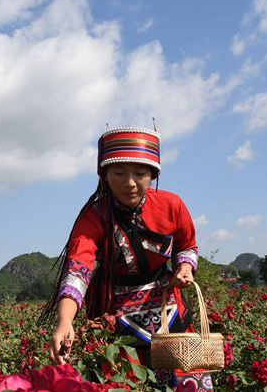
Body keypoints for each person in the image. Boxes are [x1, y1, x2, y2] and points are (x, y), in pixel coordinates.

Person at [38, 127, 214, 391]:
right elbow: (78, 271)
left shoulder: (172, 205)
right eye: (119, 173)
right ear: (104, 175)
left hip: (170, 313)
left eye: (140, 173)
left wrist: (185, 267)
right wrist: (65, 320)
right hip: (115, 320)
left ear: (153, 174)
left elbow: (186, 245)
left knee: (187, 383)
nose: (130, 183)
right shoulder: (93, 218)